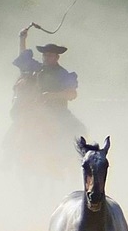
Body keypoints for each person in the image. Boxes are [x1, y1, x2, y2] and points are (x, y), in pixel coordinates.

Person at [8, 28, 85, 170]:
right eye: (45, 56)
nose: (46, 58)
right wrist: (22, 39)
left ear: (56, 57)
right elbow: (24, 60)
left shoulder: (63, 74)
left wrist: (51, 95)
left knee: (79, 129)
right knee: (17, 126)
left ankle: (77, 162)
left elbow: (72, 94)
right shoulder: (38, 69)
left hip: (58, 111)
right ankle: (8, 158)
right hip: (36, 109)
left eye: (49, 56)